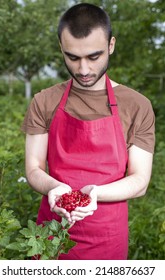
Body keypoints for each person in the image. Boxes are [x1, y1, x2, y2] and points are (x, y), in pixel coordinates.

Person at [21, 3, 155, 260]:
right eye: (72, 57)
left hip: (107, 238)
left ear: (111, 46)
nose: (83, 69)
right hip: (49, 236)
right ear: (61, 48)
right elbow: (33, 169)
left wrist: (94, 193)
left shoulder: (136, 105)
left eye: (94, 57)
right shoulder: (44, 101)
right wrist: (54, 188)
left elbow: (140, 181)